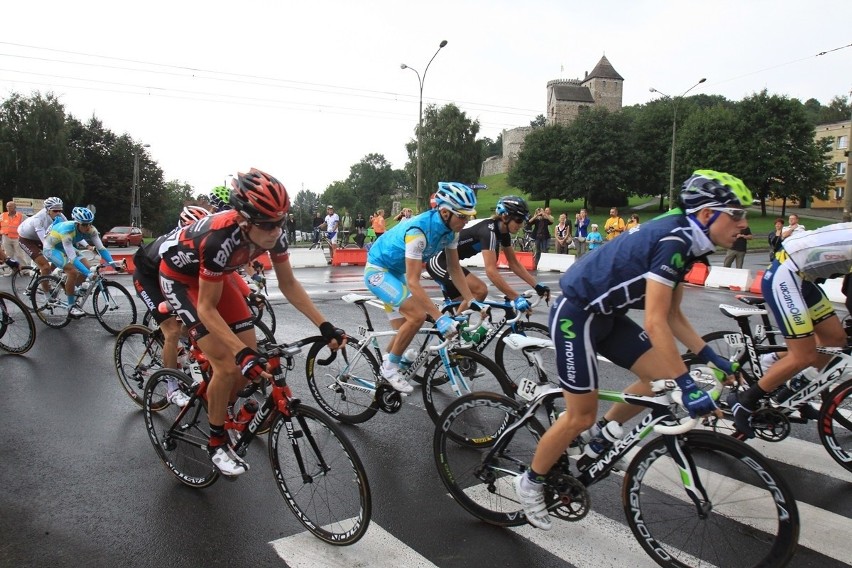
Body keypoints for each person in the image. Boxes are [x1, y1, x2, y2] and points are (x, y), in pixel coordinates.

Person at [513, 169, 747, 530]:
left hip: (606, 315)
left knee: (661, 376)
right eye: (736, 214)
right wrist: (688, 384)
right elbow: (655, 322)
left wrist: (709, 356)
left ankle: (605, 435)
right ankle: (530, 481)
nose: (743, 224)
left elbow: (672, 314)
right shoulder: (676, 242)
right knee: (580, 416)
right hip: (577, 315)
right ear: (706, 215)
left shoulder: (687, 240)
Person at [158, 168, 346, 477]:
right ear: (244, 220)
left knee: (248, 366)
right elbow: (205, 307)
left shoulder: (272, 231)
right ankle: (216, 442)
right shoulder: (220, 238)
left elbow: (289, 285)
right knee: (229, 365)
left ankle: (219, 404)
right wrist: (239, 354)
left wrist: (324, 325)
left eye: (281, 222)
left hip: (218, 275)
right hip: (181, 280)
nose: (276, 231)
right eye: (269, 224)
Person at [727, 222, 852, 439]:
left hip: (802, 278)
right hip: (786, 275)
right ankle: (744, 402)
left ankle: (793, 393)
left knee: (834, 339)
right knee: (804, 355)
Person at [364, 182, 478, 394]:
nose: (466, 220)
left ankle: (383, 378)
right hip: (378, 272)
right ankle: (389, 369)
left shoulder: (451, 232)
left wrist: (471, 300)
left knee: (402, 334)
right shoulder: (419, 232)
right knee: (417, 316)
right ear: (445, 212)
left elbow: (454, 268)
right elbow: (415, 281)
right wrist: (439, 317)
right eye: (462, 216)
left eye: (469, 216)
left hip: (395, 273)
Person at [133, 205, 212, 407]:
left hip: (171, 278)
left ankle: (185, 356)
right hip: (148, 278)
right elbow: (169, 282)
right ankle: (172, 388)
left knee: (199, 320)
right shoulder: (172, 245)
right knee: (173, 330)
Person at [426, 194, 550, 320]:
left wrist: (536, 285)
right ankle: (450, 326)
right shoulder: (489, 230)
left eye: (523, 220)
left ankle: (452, 328)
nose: (521, 224)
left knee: (464, 317)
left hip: (451, 264)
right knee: (480, 290)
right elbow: (491, 271)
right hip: (438, 262)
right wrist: (516, 297)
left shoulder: (503, 233)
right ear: (505, 216)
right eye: (518, 220)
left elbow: (514, 263)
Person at [43, 206, 120, 318]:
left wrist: (114, 265)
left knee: (88, 269)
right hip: (52, 248)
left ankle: (72, 289)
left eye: (90, 223)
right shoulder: (67, 231)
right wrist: (89, 274)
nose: (87, 227)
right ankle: (71, 307)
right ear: (77, 223)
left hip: (64, 247)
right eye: (84, 224)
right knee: (72, 272)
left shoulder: (92, 230)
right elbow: (72, 258)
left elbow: (101, 249)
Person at [17, 197, 67, 280]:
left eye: (60, 210)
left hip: (38, 238)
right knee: (45, 266)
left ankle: (43, 277)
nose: (58, 213)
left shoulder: (60, 216)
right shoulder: (38, 218)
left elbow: (69, 230)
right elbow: (44, 240)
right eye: (55, 211)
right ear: (47, 209)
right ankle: (42, 284)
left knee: (63, 255)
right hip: (26, 239)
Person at [1, 200, 28, 267]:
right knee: (8, 255)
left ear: (15, 207)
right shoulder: (2, 215)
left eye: (10, 206)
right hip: (6, 237)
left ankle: (25, 270)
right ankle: (12, 270)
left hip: (17, 238)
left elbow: (28, 224)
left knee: (20, 254)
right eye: (7, 206)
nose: (8, 208)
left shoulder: (21, 216)